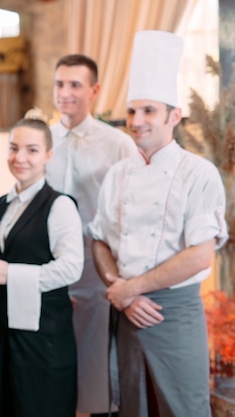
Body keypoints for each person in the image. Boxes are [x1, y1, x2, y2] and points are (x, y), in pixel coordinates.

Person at [89, 30, 228, 417]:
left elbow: (200, 256)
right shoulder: (117, 174)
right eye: (133, 111)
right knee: (132, 407)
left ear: (174, 116)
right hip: (127, 315)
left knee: (184, 408)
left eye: (149, 110)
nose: (137, 121)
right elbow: (99, 240)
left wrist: (131, 289)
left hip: (174, 314)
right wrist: (120, 289)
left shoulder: (199, 173)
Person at [46, 54, 136, 417]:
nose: (65, 93)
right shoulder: (43, 139)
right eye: (60, 84)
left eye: (75, 85)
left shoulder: (117, 144)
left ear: (94, 90)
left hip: (95, 266)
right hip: (50, 267)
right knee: (54, 354)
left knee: (96, 357)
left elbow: (129, 209)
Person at [0, 110, 83, 417]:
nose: (20, 157)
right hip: (6, 328)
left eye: (32, 150)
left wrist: (11, 274)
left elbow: (71, 267)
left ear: (48, 155)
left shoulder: (60, 205)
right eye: (13, 148)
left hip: (45, 335)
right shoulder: (0, 205)